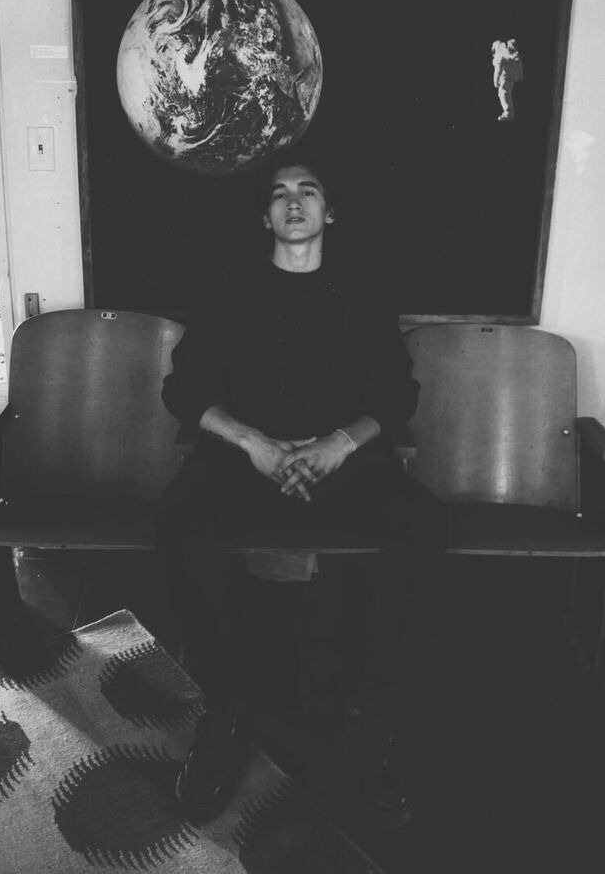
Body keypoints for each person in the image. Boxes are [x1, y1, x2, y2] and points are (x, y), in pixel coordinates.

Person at [156, 144, 445, 827]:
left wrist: (339, 444)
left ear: (329, 211)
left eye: (307, 190)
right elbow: (183, 390)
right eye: (280, 193)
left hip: (343, 464)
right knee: (178, 524)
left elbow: (396, 394)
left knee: (424, 526)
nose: (293, 201)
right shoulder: (227, 288)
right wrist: (252, 443)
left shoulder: (365, 289)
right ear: (265, 217)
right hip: (244, 463)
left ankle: (369, 710)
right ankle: (224, 708)